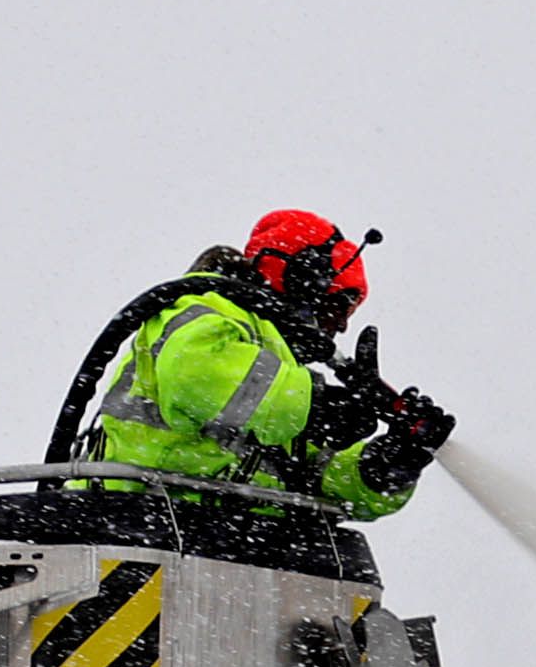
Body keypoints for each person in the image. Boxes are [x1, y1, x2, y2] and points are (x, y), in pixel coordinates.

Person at [87, 209, 455, 521]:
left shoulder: (277, 370)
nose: (342, 325)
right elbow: (197, 378)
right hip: (141, 519)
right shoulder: (206, 312)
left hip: (220, 537)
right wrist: (321, 407)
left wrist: (389, 464)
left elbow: (319, 477)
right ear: (303, 281)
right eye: (340, 305)